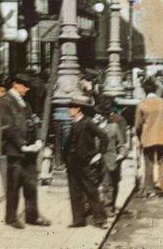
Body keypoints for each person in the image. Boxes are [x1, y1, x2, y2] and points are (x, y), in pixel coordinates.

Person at [0, 73, 50, 230]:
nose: (27, 89)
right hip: (15, 150)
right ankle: (11, 218)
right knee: (14, 185)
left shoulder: (25, 103)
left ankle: (32, 216)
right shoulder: (5, 102)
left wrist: (38, 140)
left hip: (29, 149)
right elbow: (8, 127)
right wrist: (21, 144)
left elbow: (33, 121)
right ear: (15, 84)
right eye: (25, 86)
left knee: (31, 184)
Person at [62, 96, 108, 229]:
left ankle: (100, 220)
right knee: (74, 191)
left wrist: (99, 153)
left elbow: (103, 137)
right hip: (72, 163)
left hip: (85, 162)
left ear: (79, 109)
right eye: (70, 107)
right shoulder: (73, 123)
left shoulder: (88, 122)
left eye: (72, 108)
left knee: (91, 190)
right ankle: (78, 220)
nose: (69, 110)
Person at [134, 79, 163, 197]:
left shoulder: (142, 104)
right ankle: (161, 182)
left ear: (144, 91)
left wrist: (138, 136)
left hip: (148, 138)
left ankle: (149, 188)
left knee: (148, 163)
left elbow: (137, 125)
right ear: (156, 89)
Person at [95, 98, 129, 215]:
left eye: (99, 115)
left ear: (104, 116)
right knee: (97, 184)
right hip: (95, 159)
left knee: (109, 184)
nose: (97, 116)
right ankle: (96, 206)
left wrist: (121, 155)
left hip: (110, 159)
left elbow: (121, 144)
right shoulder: (93, 127)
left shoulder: (114, 127)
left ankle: (108, 207)